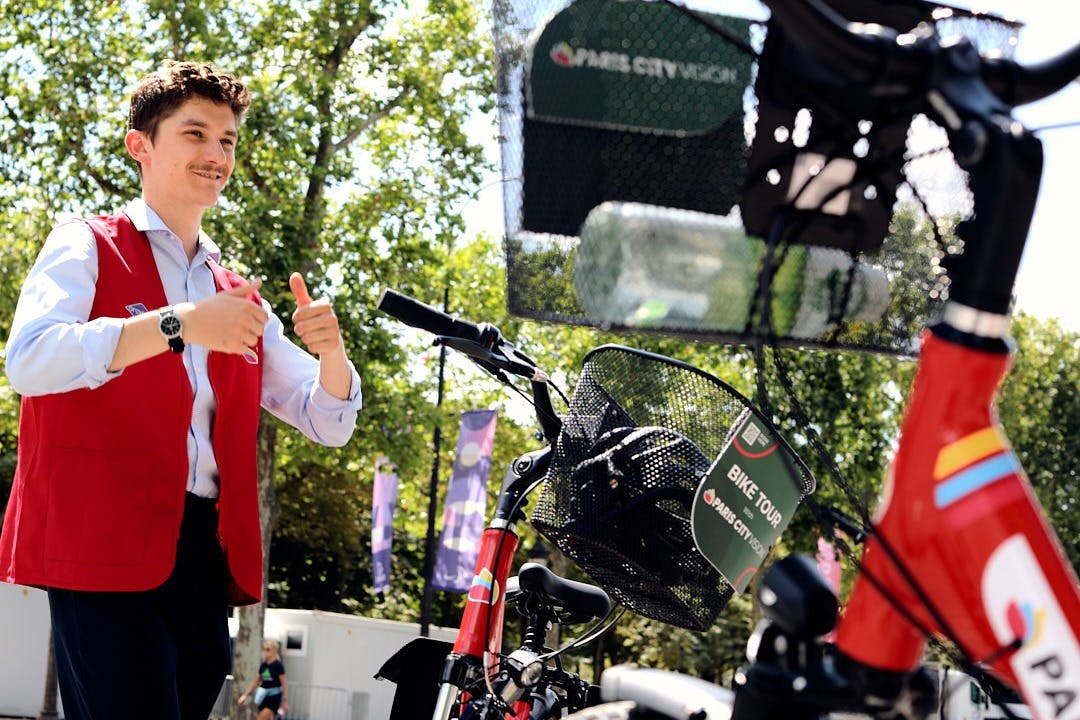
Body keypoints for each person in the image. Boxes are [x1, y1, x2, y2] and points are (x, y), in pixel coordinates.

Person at [0, 61, 362, 719]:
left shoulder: (236, 293)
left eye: (226, 140)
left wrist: (332, 353)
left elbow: (327, 418)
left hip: (202, 558)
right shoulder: (84, 244)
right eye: (195, 134)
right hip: (100, 542)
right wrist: (178, 324)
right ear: (141, 145)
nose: (216, 154)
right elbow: (27, 362)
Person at [238, 639, 289, 718]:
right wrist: (245, 695)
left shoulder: (278, 665)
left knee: (261, 718)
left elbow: (284, 684)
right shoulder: (263, 665)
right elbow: (256, 681)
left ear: (274, 651)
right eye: (264, 649)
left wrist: (284, 701)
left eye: (268, 649)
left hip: (273, 697)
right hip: (263, 697)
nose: (265, 651)